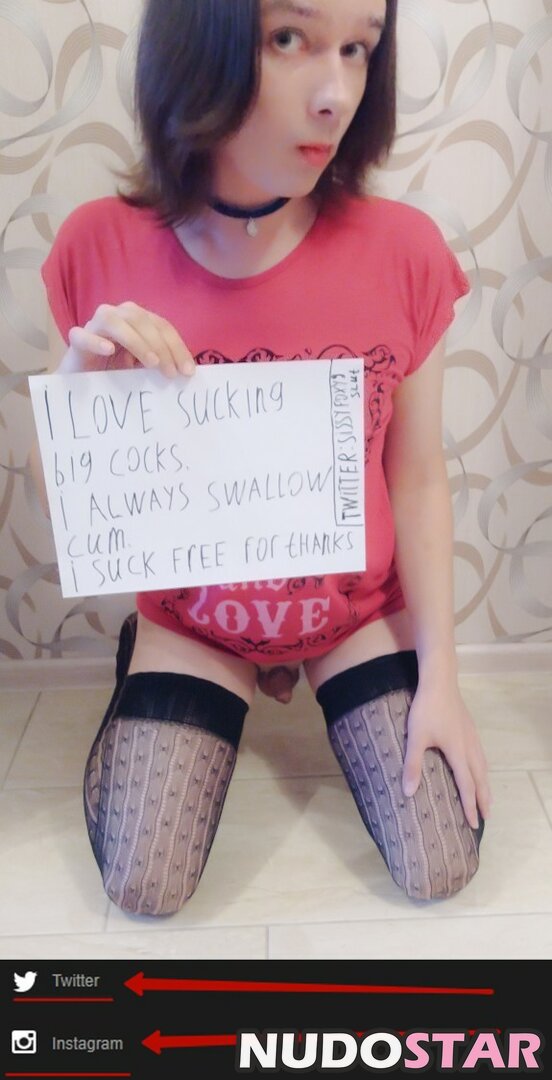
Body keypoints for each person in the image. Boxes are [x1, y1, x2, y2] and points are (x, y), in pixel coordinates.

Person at [33, 0, 491, 916]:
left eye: (358, 49)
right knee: (145, 887)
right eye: (290, 39)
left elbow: (416, 478)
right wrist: (83, 395)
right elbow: (73, 512)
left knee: (440, 865)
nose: (337, 94)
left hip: (355, 610)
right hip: (193, 618)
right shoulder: (100, 244)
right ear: (197, 45)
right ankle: (148, 667)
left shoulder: (403, 251)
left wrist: (442, 678)